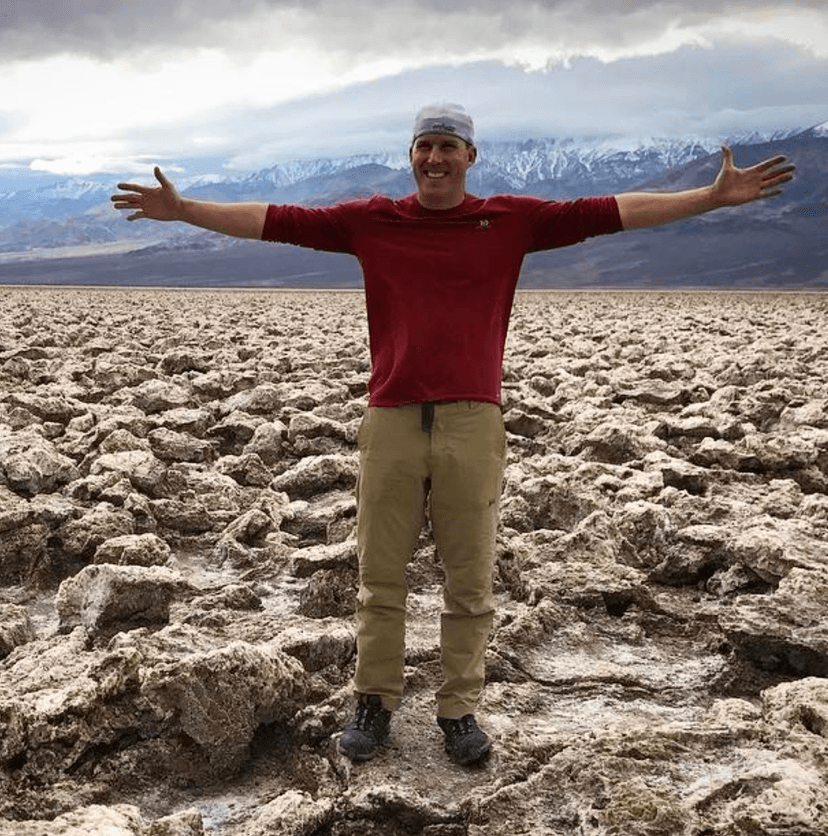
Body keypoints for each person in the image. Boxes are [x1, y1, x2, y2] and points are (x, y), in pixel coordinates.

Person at [111, 103, 795, 766]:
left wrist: (708, 198)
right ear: (410, 157)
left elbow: (610, 212)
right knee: (380, 577)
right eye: (424, 147)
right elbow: (276, 222)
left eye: (448, 146)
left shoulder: (511, 221)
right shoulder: (371, 221)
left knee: (469, 579)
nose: (435, 158)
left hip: (473, 419)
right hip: (392, 416)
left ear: (471, 156)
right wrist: (187, 210)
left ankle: (458, 710)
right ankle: (374, 701)